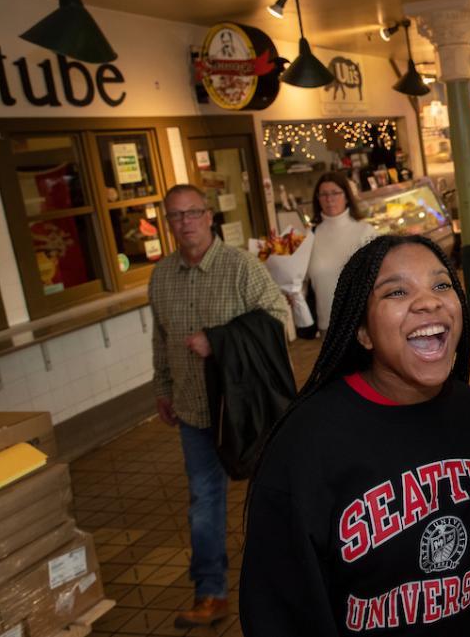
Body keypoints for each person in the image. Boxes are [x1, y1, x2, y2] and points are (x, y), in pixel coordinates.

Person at [240, 235, 470, 636]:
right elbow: (279, 612)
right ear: (362, 332)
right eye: (397, 291)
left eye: (441, 285)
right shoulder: (306, 444)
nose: (429, 302)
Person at [149, 184, 288, 628]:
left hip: (246, 409)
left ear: (209, 216)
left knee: (268, 497)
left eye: (192, 213)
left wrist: (221, 341)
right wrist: (164, 387)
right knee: (203, 501)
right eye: (175, 216)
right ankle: (211, 592)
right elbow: (161, 337)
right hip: (192, 410)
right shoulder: (162, 276)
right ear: (168, 224)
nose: (185, 222)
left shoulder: (240, 267)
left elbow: (279, 320)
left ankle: (282, 584)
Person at [306, 172, 377, 335]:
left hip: (361, 323)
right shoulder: (310, 236)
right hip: (327, 325)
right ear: (317, 199)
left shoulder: (365, 232)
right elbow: (301, 280)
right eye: (323, 194)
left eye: (335, 193)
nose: (329, 199)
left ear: (346, 196)